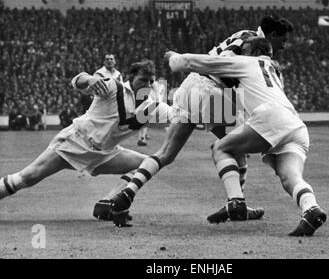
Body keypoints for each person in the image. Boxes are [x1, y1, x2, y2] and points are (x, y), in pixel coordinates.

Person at [97, 16, 294, 226]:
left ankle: (127, 193)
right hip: (212, 90)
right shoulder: (251, 44)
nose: (284, 45)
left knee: (166, 153)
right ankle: (237, 203)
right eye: (283, 39)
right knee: (236, 150)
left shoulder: (243, 35)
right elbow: (227, 66)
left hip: (190, 86)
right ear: (272, 35)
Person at [164, 37, 327, 237]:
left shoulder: (246, 62)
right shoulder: (275, 70)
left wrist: (174, 56)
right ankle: (311, 209)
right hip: (296, 125)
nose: (241, 53)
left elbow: (192, 62)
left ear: (253, 52)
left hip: (271, 117)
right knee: (290, 176)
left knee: (221, 148)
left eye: (245, 50)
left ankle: (236, 201)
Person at [0, 61, 172, 222]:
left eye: (151, 81)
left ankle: (108, 204)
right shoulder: (113, 87)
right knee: (28, 177)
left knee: (147, 164)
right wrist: (89, 78)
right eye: (143, 80)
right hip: (75, 142)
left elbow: (180, 116)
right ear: (131, 78)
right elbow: (77, 80)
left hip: (104, 154)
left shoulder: (151, 108)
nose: (147, 86)